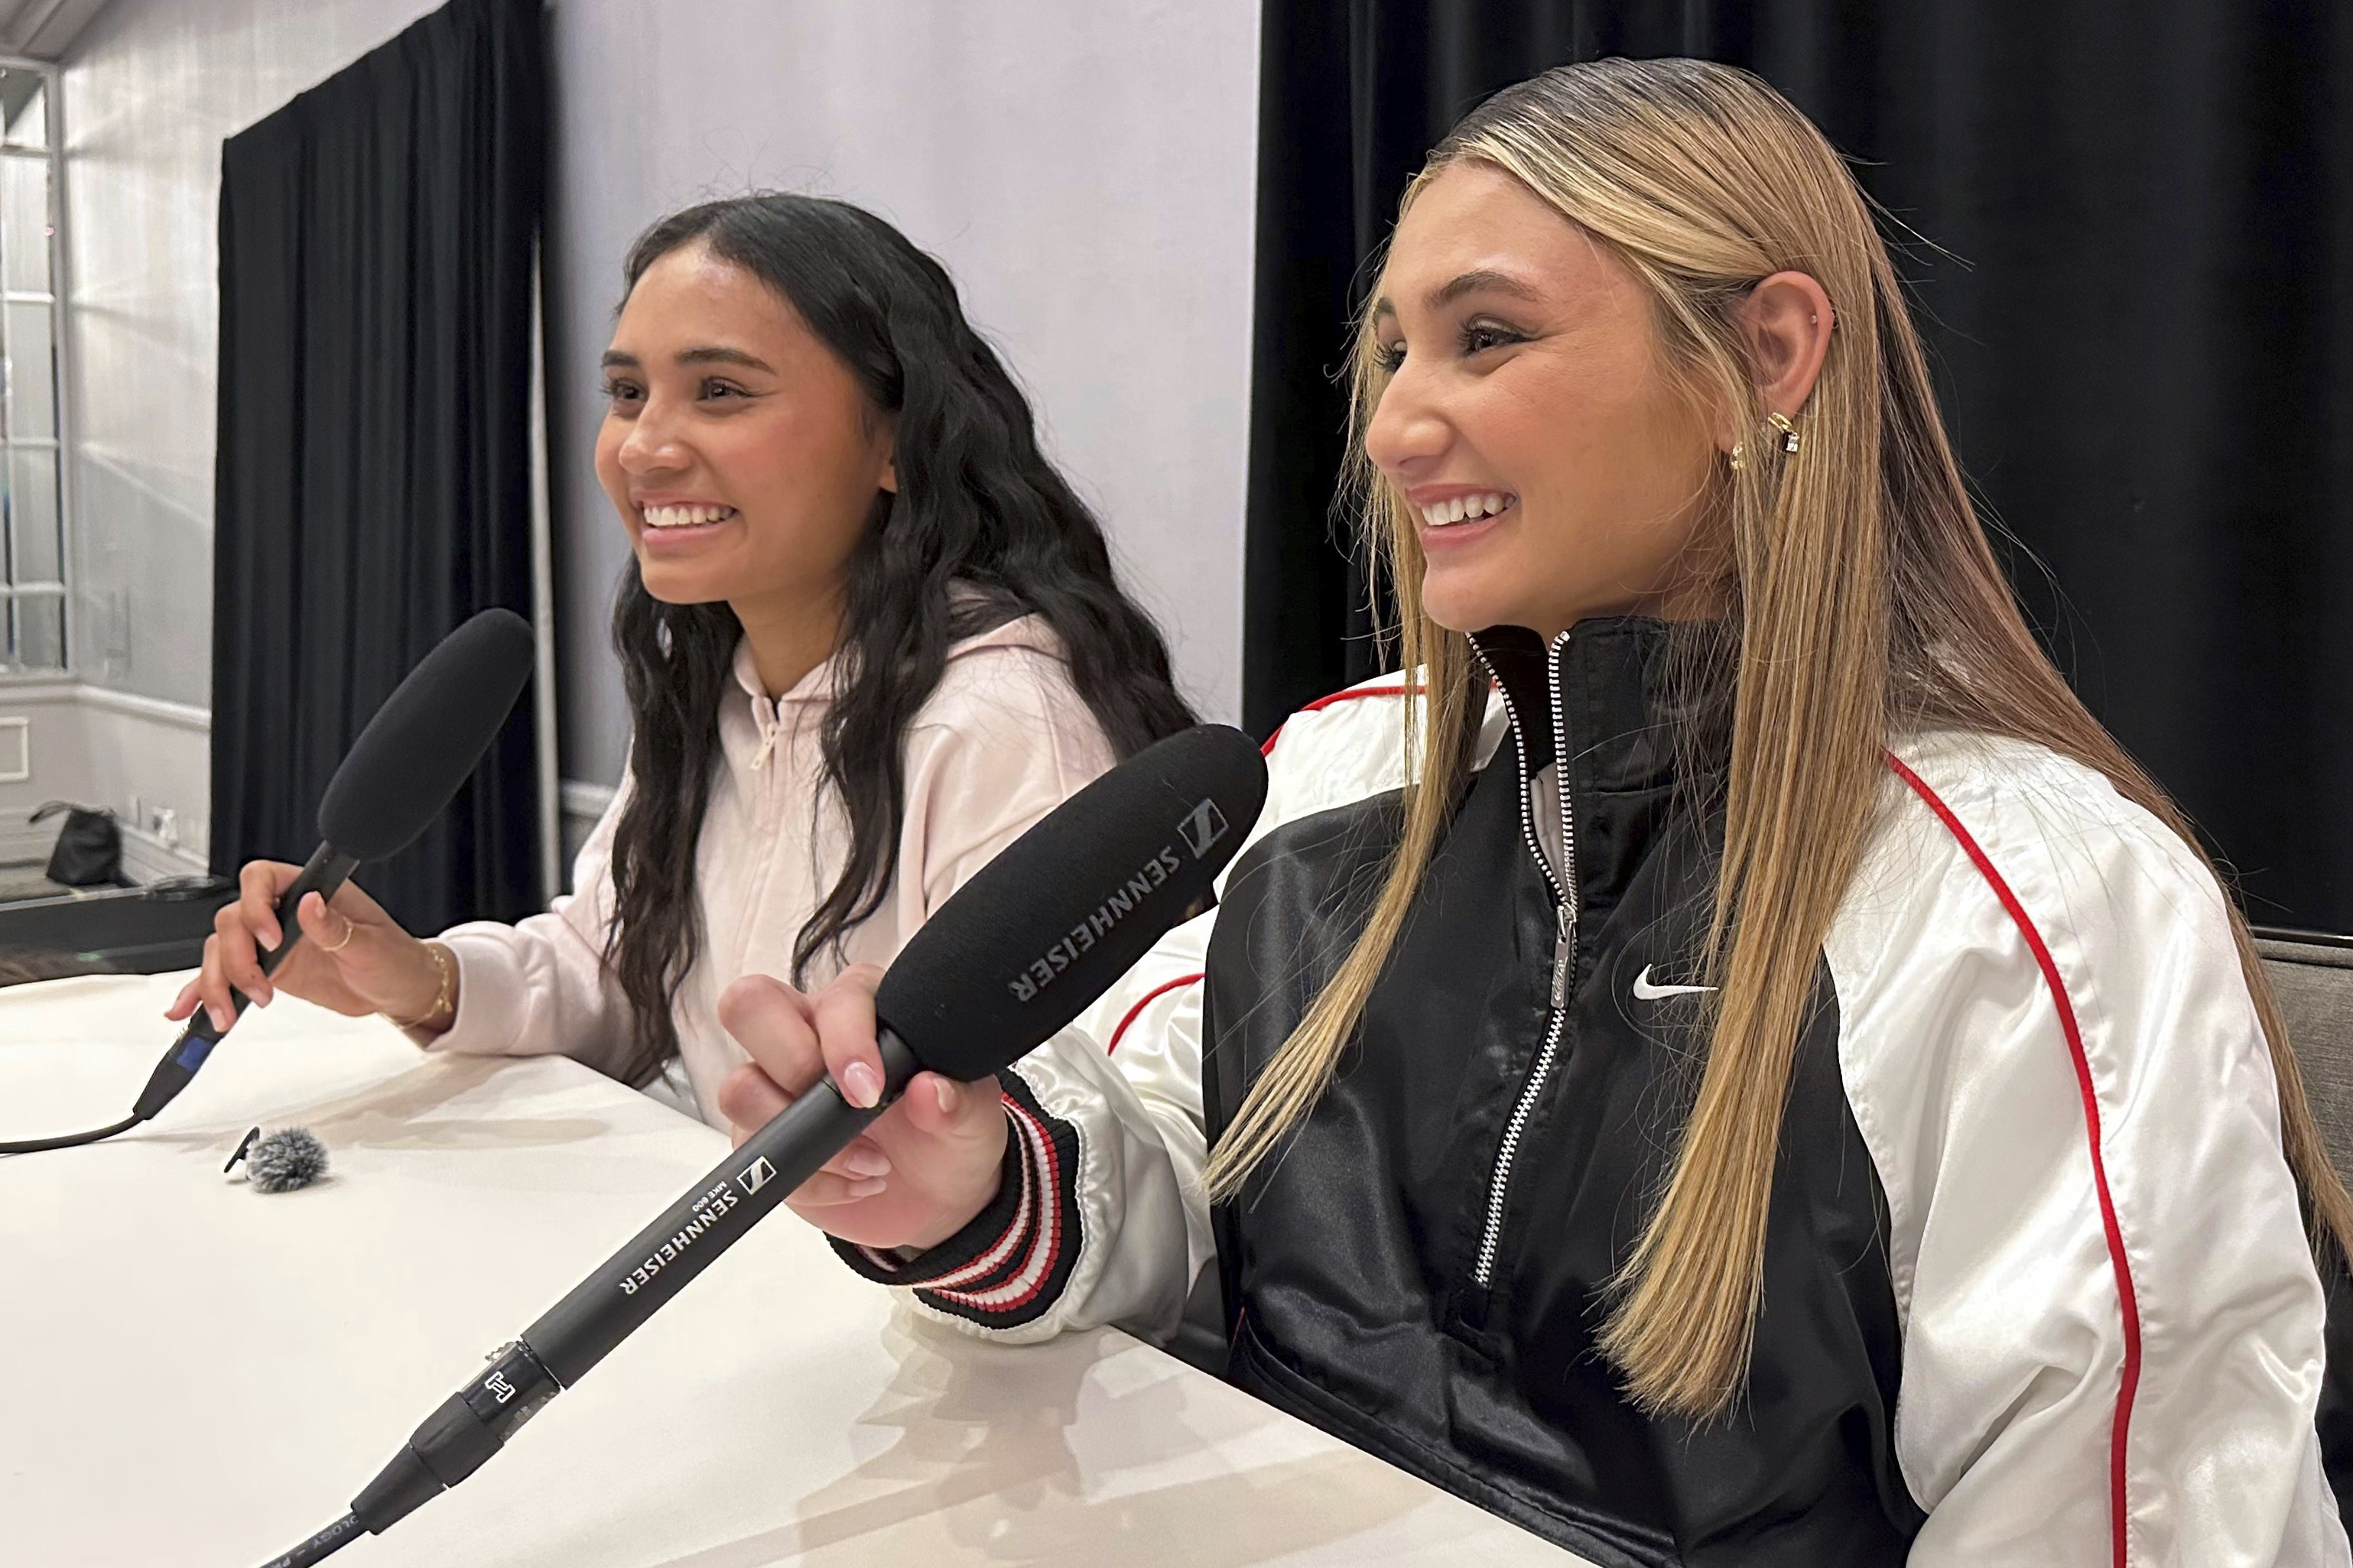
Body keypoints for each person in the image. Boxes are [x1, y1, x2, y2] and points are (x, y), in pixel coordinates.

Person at [717, 60, 2352, 1565]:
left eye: (1486, 337)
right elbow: (1154, 1175)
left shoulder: (2041, 909)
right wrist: (967, 1181)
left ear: (1763, 363)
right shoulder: (1335, 780)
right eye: (1393, 350)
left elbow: (2130, 1520)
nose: (1395, 423)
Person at [174, 193, 1195, 1154]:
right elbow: (618, 981)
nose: (643, 448)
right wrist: (416, 978)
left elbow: (1071, 1146)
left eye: (718, 392)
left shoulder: (1001, 726)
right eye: (626, 393)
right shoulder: (720, 692)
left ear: (895, 440)